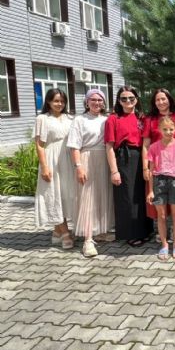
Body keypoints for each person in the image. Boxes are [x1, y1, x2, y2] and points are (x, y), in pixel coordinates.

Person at [67, 89, 114, 257]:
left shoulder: (107, 119)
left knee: (102, 196)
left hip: (104, 159)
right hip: (86, 159)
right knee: (87, 199)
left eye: (100, 100)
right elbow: (74, 146)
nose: (97, 103)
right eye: (93, 99)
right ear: (87, 102)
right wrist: (78, 166)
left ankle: (100, 232)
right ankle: (87, 240)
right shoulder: (79, 120)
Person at [105, 86, 153, 247]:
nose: (128, 101)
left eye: (131, 98)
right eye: (124, 98)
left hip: (142, 157)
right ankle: (131, 233)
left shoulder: (142, 117)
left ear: (136, 100)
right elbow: (109, 147)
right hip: (124, 158)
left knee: (141, 195)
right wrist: (114, 171)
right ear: (119, 101)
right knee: (127, 196)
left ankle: (145, 230)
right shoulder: (113, 119)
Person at [142, 88, 175, 232]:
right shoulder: (150, 120)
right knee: (159, 200)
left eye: (163, 99)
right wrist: (145, 168)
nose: (161, 102)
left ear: (169, 100)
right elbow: (145, 145)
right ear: (154, 102)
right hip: (157, 168)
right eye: (157, 99)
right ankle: (163, 231)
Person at [34, 88, 76, 249]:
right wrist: (44, 167)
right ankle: (65, 233)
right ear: (49, 101)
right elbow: (39, 145)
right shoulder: (42, 119)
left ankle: (57, 231)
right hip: (51, 159)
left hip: (68, 159)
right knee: (54, 194)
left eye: (62, 101)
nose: (59, 104)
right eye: (56, 101)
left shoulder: (70, 118)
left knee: (65, 195)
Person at [146, 116, 175, 260]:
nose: (168, 132)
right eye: (165, 129)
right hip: (159, 181)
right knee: (161, 216)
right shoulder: (153, 147)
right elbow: (151, 170)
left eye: (171, 129)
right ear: (159, 130)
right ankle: (164, 245)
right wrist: (151, 191)